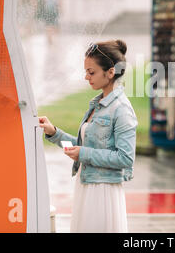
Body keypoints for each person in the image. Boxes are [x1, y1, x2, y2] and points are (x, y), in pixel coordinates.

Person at [38, 40, 138, 233]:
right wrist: (54, 133)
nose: (86, 77)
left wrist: (84, 153)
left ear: (110, 72)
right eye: (86, 72)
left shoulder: (122, 109)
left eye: (91, 72)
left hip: (103, 192)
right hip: (86, 186)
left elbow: (125, 158)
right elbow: (83, 147)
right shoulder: (97, 104)